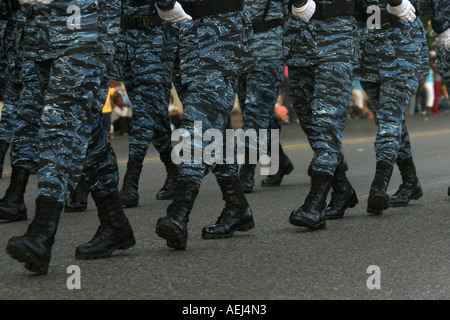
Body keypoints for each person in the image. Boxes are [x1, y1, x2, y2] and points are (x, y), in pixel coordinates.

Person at [6, 0, 135, 274]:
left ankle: (42, 232)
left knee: (60, 124)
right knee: (84, 131)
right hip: (42, 34)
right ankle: (115, 223)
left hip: (83, 27)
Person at [154, 0, 257, 250]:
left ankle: (179, 210)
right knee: (211, 124)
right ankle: (237, 206)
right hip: (179, 32)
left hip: (217, 29)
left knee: (198, 124)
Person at [284, 0, 361, 228]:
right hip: (298, 38)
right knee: (310, 124)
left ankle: (315, 204)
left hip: (336, 36)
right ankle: (343, 188)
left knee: (326, 122)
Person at [356, 0, 436, 213]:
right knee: (390, 120)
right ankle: (410, 182)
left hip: (402, 49)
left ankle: (379, 185)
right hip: (370, 51)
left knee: (389, 119)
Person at [116, 1, 180, 206]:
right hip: (125, 42)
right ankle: (175, 171)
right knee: (154, 114)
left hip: (154, 39)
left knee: (144, 113)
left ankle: (131, 181)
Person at [237, 0, 294, 193]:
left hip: (268, 48)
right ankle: (280, 161)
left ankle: (246, 171)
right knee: (255, 113)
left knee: (256, 112)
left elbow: (293, 12)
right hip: (240, 48)